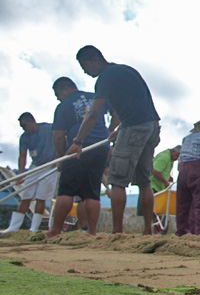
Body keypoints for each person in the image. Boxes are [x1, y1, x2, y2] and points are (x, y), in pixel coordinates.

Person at [68, 45, 161, 234]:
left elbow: (94, 113)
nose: (85, 71)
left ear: (95, 60)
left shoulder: (105, 77)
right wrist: (120, 128)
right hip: (151, 125)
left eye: (84, 65)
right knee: (144, 181)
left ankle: (117, 232)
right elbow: (138, 104)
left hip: (135, 126)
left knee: (117, 180)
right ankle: (147, 232)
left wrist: (78, 142)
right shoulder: (126, 70)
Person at [47, 77, 116, 237]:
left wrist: (61, 158)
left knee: (66, 191)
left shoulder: (63, 105)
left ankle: (56, 230)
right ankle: (92, 232)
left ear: (64, 89)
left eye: (57, 94)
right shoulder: (96, 97)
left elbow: (58, 136)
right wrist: (109, 131)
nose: (58, 98)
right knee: (92, 192)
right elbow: (117, 114)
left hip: (76, 147)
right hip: (100, 146)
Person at [2, 113, 58, 233]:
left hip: (50, 166)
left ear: (32, 122)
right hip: (35, 166)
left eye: (25, 125)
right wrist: (21, 174)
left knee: (41, 197)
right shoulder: (24, 137)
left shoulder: (48, 128)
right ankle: (13, 227)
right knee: (26, 196)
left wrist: (59, 156)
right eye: (22, 127)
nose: (24, 129)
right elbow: (22, 156)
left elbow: (62, 138)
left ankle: (34, 228)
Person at [136, 145, 180, 225]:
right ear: (173, 151)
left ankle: (155, 226)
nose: (177, 158)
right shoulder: (165, 157)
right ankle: (150, 226)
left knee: (155, 210)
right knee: (151, 209)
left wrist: (168, 177)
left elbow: (160, 169)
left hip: (158, 186)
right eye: (177, 155)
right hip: (152, 185)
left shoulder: (170, 158)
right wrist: (165, 181)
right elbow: (155, 170)